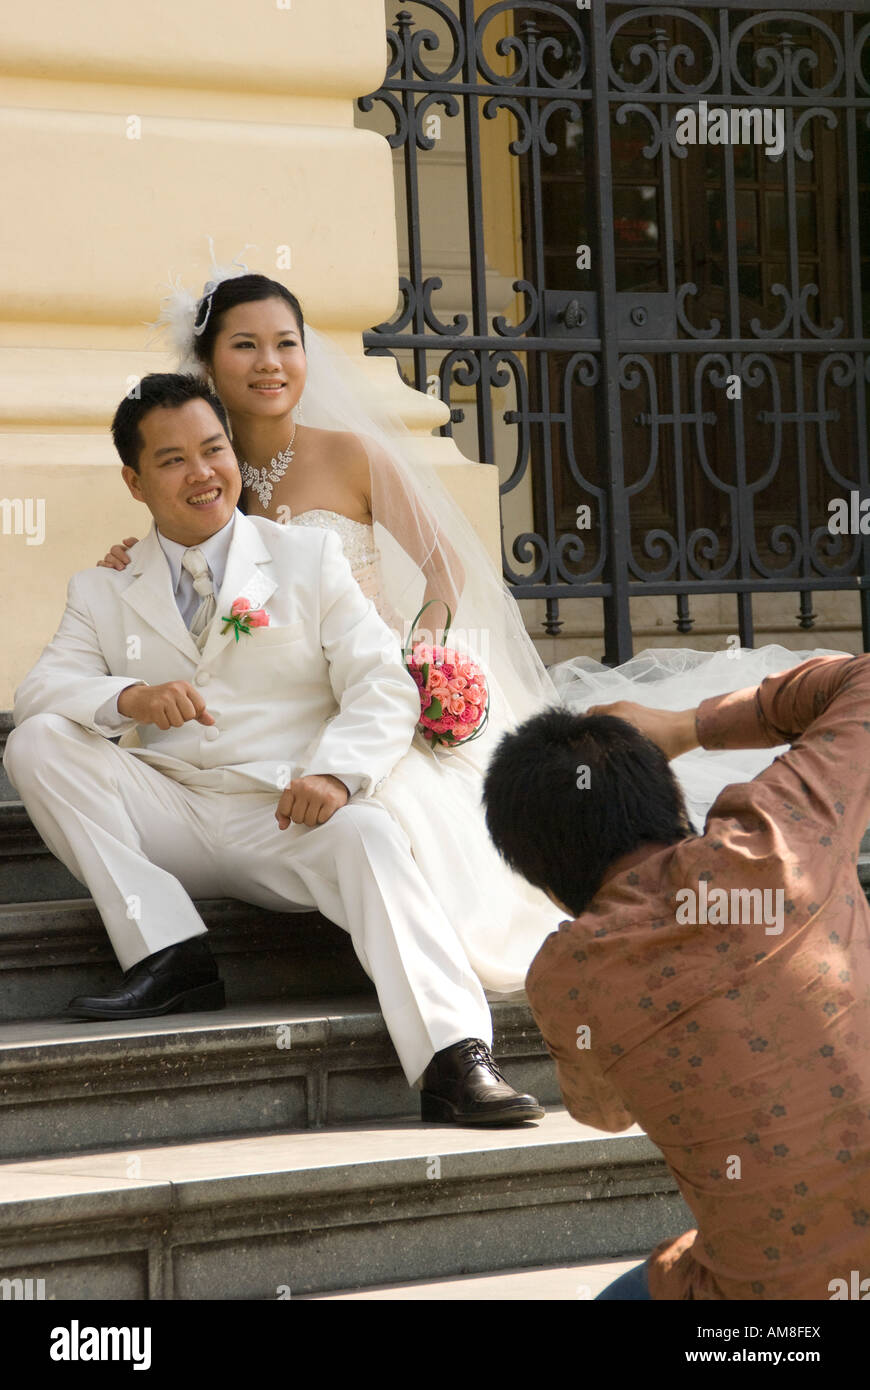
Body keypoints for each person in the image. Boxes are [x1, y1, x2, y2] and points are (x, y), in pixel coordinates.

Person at [3, 372, 546, 1126]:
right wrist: (129, 697)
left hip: (287, 814)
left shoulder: (303, 559)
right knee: (36, 743)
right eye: (172, 460)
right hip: (174, 813)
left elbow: (382, 684)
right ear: (134, 480)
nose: (203, 473)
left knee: (371, 834)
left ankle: (456, 1059)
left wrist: (336, 774)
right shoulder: (102, 588)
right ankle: (170, 952)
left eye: (214, 448)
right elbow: (42, 688)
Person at [96, 262, 567, 994]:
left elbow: (447, 569)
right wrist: (133, 558)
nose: (270, 363)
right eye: (245, 346)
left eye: (287, 343)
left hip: (372, 688)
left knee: (405, 801)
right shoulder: (200, 472)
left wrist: (424, 645)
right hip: (274, 717)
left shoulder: (351, 454)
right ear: (208, 362)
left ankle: (441, 960)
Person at [481, 655, 870, 1298]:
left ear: (548, 888)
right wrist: (687, 725)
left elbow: (603, 1113)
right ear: (673, 801)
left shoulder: (565, 978)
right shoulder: (781, 837)